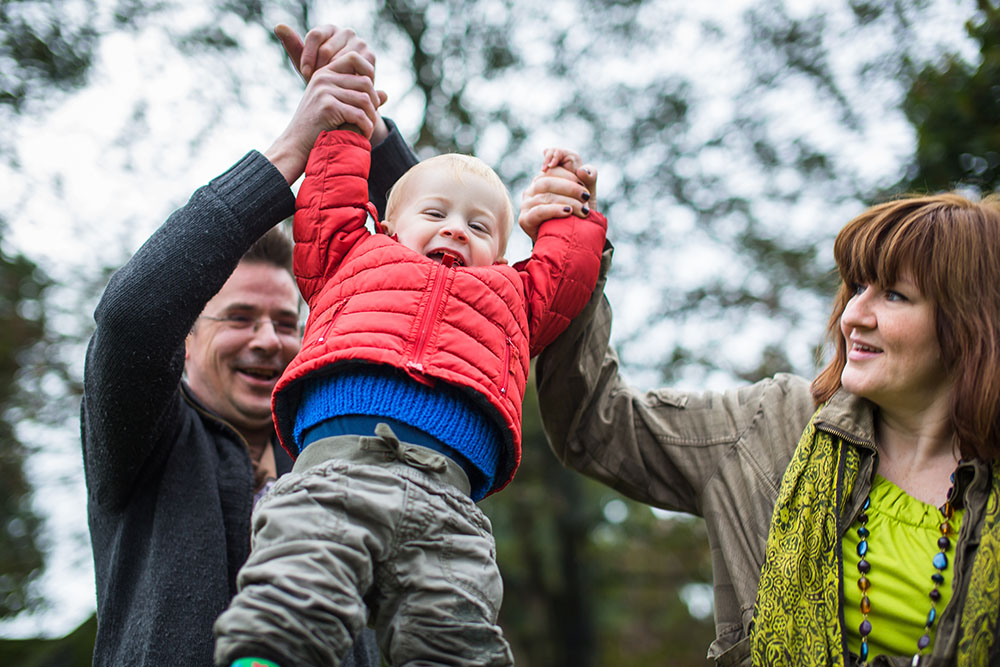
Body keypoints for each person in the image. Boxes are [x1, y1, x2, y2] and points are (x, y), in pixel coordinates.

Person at [522, 175, 1000, 666]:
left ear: (969, 325)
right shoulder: (772, 424)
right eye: (857, 287)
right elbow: (595, 424)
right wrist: (573, 250)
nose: (854, 314)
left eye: (895, 295)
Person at [211, 117, 607, 664]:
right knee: (301, 578)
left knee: (453, 625)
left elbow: (565, 275)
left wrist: (569, 208)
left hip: (448, 504)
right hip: (338, 473)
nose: (456, 230)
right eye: (435, 213)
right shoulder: (353, 256)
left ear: (500, 251)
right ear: (389, 225)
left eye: (480, 225)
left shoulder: (512, 296)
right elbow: (326, 205)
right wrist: (346, 125)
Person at [80, 26, 418, 667]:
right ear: (185, 338)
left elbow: (424, 286)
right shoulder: (147, 443)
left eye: (286, 321)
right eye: (239, 318)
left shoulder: (333, 443)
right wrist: (294, 146)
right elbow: (129, 318)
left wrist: (364, 129)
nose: (268, 340)